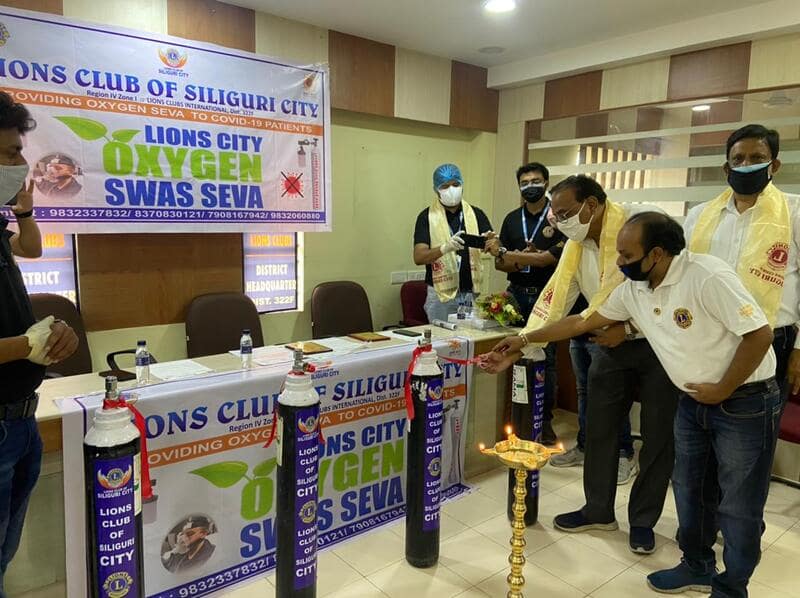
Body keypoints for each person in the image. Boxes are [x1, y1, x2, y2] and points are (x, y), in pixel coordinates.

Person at [485, 212, 777, 598]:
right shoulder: (634, 289)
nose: (619, 262)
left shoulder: (706, 276)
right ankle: (697, 566)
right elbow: (580, 323)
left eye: (626, 255)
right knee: (690, 491)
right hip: (693, 402)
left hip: (744, 401)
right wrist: (523, 340)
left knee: (738, 505)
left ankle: (732, 589)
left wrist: (724, 388)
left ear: (656, 253)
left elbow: (759, 335)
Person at [485, 175, 675, 554]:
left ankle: (643, 522)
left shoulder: (639, 227)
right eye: (556, 215)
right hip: (605, 340)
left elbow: (668, 291)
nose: (560, 221)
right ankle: (598, 510)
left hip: (656, 343)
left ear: (591, 204)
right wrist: (524, 342)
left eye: (565, 213)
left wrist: (628, 327)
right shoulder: (576, 244)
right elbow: (555, 298)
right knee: (599, 428)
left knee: (657, 436)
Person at [0, 91, 79, 595]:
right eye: (11, 153)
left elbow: (30, 247)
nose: (21, 166)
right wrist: (26, 345)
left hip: (20, 418)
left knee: (4, 556)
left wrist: (24, 212)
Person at [684, 124, 799, 407]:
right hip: (707, 334)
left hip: (773, 339)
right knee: (696, 419)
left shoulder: (795, 212)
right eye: (738, 159)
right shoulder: (699, 216)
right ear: (727, 168)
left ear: (774, 165)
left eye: (757, 158)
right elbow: (684, 273)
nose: (746, 165)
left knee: (752, 425)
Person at [494, 162, 565, 445]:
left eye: (536, 181)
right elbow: (499, 263)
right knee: (511, 353)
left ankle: (542, 422)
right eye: (524, 183)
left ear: (546, 183)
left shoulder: (558, 217)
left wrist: (517, 256)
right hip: (516, 295)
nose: (530, 186)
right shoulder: (512, 219)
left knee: (544, 360)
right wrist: (514, 259)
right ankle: (515, 419)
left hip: (547, 297)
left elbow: (550, 259)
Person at [413, 163, 499, 323]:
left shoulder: (476, 214)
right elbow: (419, 257)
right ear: (436, 189)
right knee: (441, 337)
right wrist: (445, 248)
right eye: (445, 186)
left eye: (455, 184)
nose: (451, 189)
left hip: (470, 292)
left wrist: (492, 242)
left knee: (470, 336)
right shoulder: (426, 217)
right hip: (440, 295)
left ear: (462, 185)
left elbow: (494, 247)